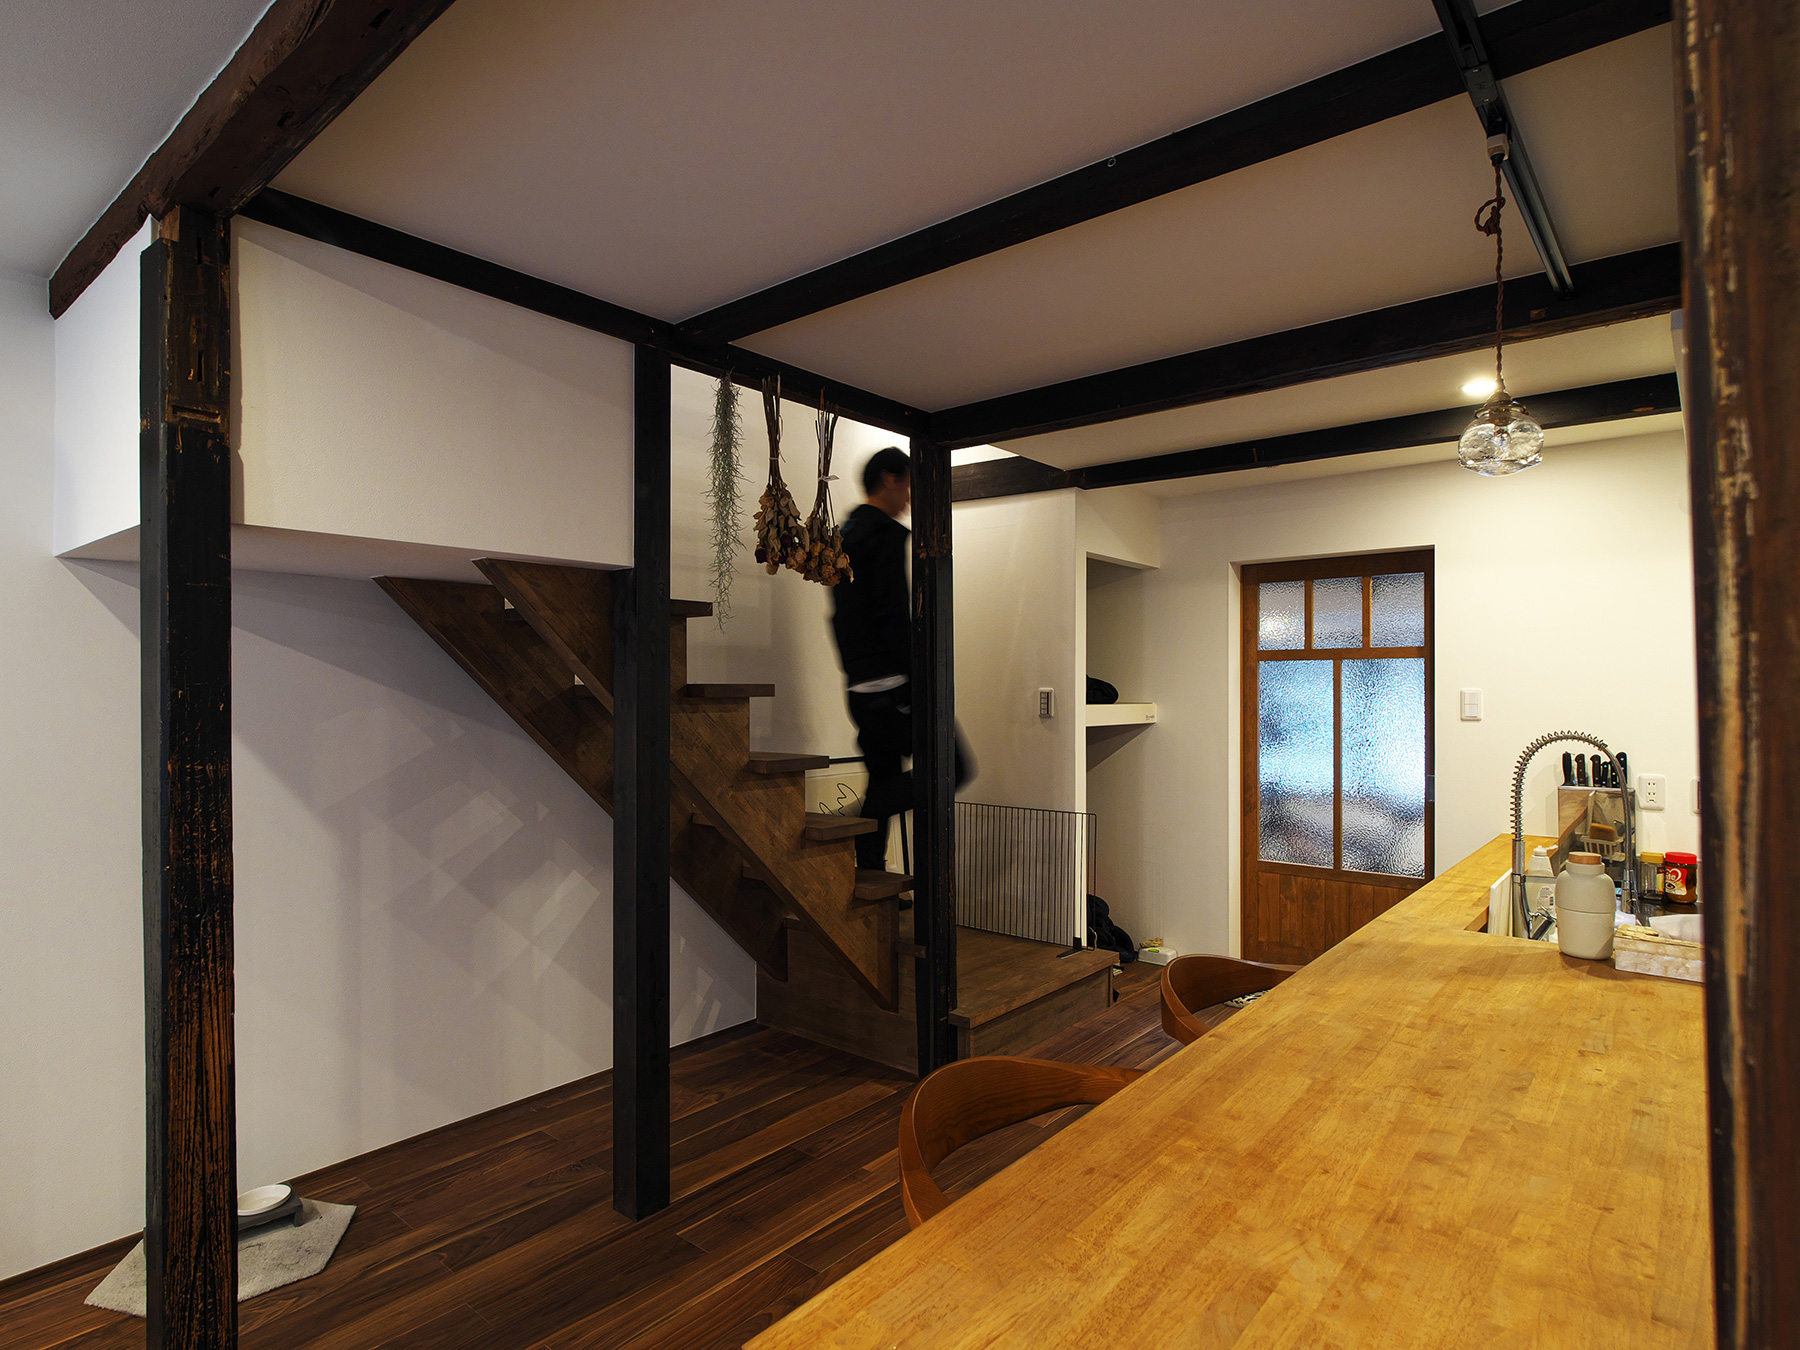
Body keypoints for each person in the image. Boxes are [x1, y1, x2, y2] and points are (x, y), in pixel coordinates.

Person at [830, 447, 972, 872]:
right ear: (889, 479)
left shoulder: (845, 536)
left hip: (860, 689)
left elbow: (841, 618)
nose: (909, 498)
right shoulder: (884, 536)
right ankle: (858, 818)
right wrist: (917, 682)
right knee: (953, 768)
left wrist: (858, 671)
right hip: (893, 689)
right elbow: (893, 616)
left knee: (885, 776)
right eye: (908, 485)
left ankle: (869, 876)